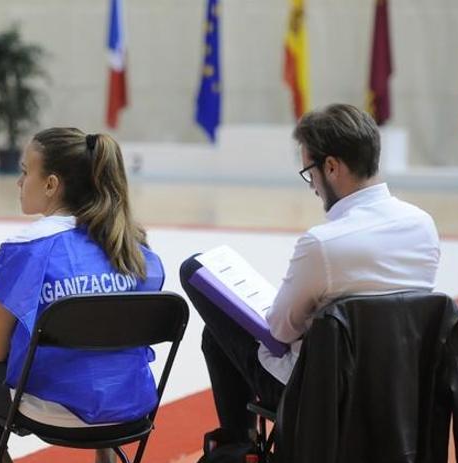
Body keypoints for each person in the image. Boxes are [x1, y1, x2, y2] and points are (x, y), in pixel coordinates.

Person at [180, 103, 440, 444]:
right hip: (397, 388)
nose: (313, 186)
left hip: (320, 394)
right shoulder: (423, 225)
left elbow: (280, 329)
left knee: (198, 283)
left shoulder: (323, 244)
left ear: (331, 167)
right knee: (220, 336)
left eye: (310, 173)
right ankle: (238, 451)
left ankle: (237, 453)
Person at [0, 128, 165, 463]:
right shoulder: (131, 247)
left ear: (51, 184)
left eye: (26, 172)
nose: (20, 181)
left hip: (53, 411)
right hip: (129, 410)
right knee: (100, 350)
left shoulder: (27, 247)